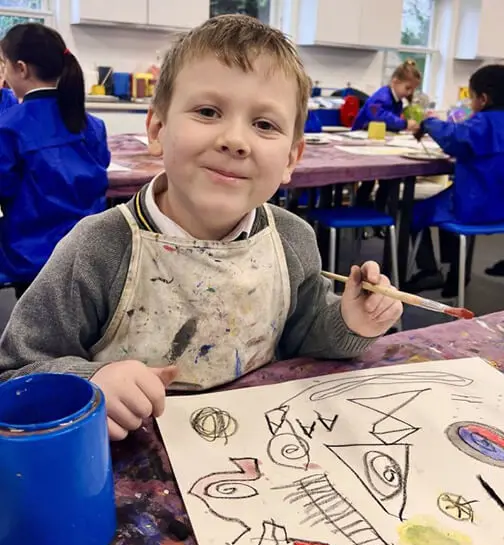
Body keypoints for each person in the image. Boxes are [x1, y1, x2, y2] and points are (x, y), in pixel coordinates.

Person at [0, 14, 402, 441]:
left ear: (291, 158)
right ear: (157, 129)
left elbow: (305, 336)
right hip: (126, 475)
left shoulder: (292, 240)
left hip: (255, 453)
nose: (236, 140)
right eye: (208, 112)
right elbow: (16, 372)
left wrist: (349, 321)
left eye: (264, 124)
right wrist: (91, 383)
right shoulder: (98, 247)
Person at [0, 23, 110, 298]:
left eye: (4, 64)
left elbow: (4, 188)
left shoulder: (10, 128)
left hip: (33, 259)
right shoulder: (92, 125)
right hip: (88, 253)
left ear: (21, 69)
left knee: (38, 331)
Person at [407, 64, 504, 297]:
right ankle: (456, 274)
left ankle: (429, 269)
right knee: (444, 203)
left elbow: (454, 138)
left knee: (412, 212)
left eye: (471, 98)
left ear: (483, 98)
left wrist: (429, 122)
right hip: (500, 209)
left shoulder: (483, 122)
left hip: (475, 207)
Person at [353, 61, 422, 219]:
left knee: (386, 181)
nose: (409, 92)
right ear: (395, 82)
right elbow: (378, 115)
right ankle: (361, 214)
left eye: (413, 89)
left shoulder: (396, 100)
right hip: (363, 141)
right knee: (369, 181)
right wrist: (404, 123)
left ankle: (379, 214)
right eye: (408, 88)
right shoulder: (382, 96)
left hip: (378, 142)